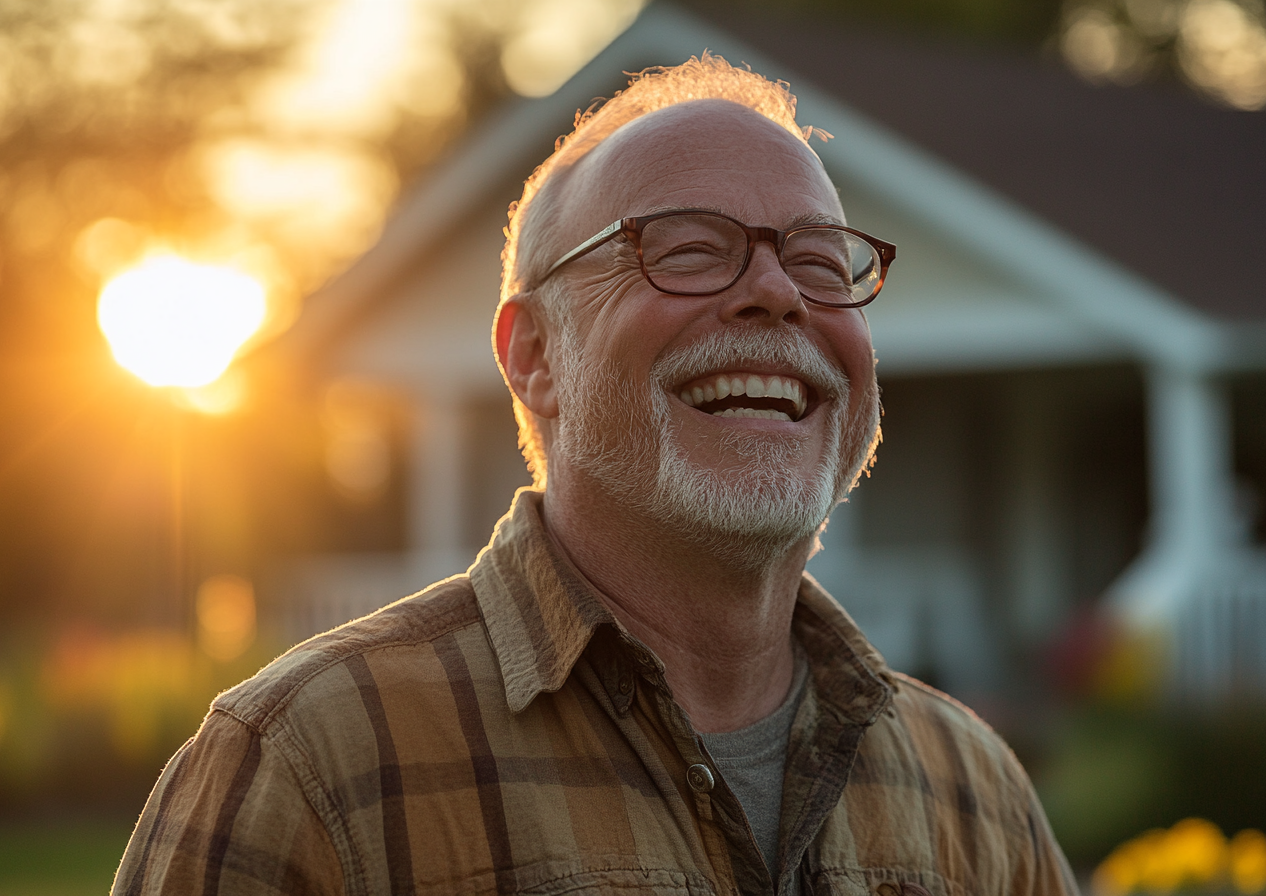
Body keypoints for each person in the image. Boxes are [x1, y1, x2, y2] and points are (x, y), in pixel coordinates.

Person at [114, 56, 1079, 896]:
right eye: (689, 251)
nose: (779, 294)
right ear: (533, 354)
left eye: (822, 263)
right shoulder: (314, 767)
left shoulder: (973, 794)